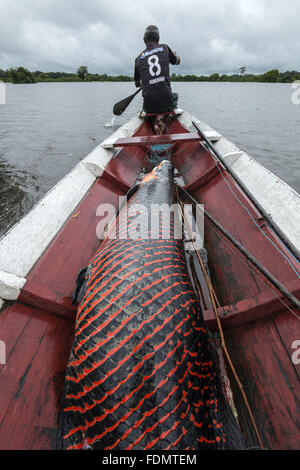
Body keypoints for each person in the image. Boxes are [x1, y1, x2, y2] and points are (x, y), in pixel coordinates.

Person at [134, 25, 181, 134]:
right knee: (174, 96)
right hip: (166, 99)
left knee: (150, 101)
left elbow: (137, 84)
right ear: (158, 39)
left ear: (144, 40)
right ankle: (161, 119)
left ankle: (155, 120)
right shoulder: (165, 48)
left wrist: (147, 82)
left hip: (149, 104)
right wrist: (174, 54)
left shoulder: (137, 59)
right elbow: (177, 61)